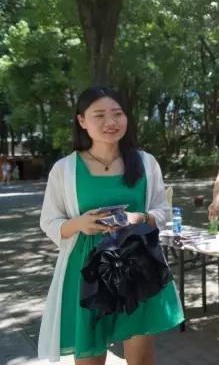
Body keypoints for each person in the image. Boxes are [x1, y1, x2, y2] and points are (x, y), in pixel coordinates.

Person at [38, 86, 183, 364]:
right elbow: (50, 222)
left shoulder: (145, 162)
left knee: (141, 358)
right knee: (90, 357)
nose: (110, 122)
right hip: (87, 271)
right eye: (99, 115)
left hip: (138, 266)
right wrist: (79, 223)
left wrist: (140, 218)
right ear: (82, 121)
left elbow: (162, 210)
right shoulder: (65, 169)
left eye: (117, 114)